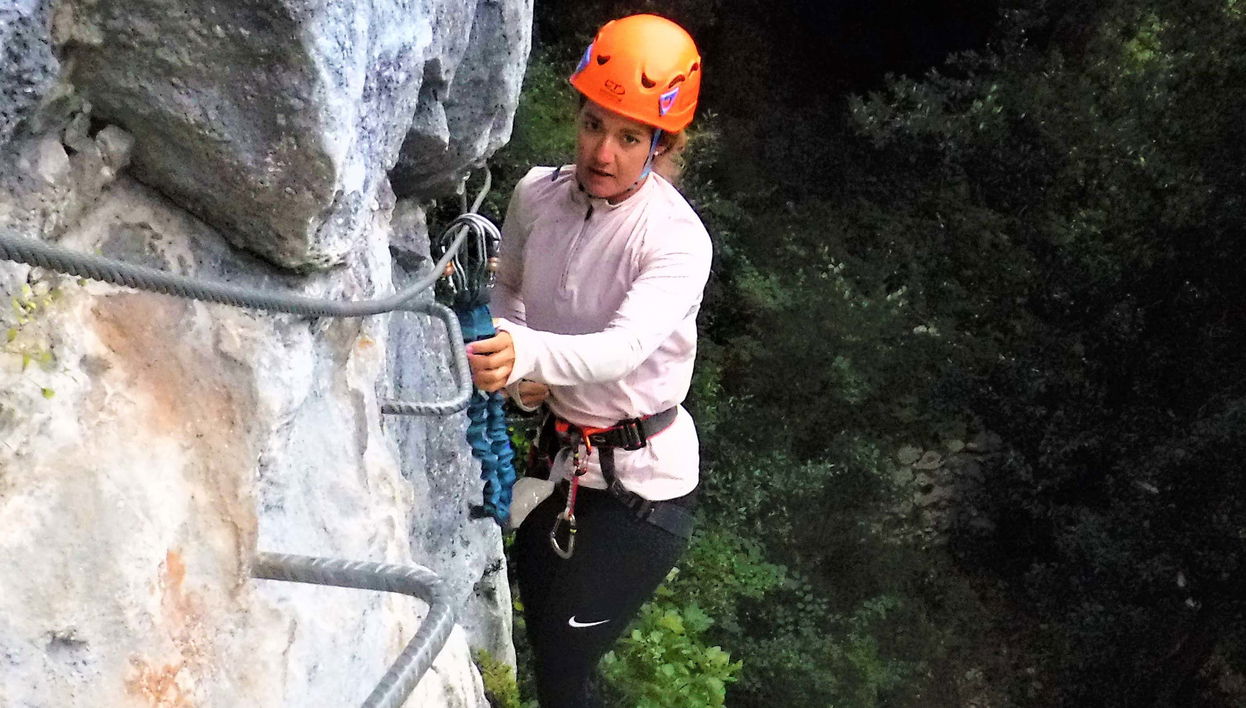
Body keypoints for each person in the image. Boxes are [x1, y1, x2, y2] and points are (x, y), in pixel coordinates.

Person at [465, 14, 710, 707]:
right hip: (560, 459)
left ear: (659, 143)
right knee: (548, 646)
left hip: (641, 487)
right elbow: (506, 286)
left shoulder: (676, 240)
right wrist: (516, 366)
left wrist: (524, 352)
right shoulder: (537, 196)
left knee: (566, 667)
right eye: (594, 125)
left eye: (630, 137)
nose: (603, 151)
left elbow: (625, 348)